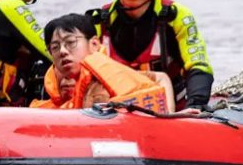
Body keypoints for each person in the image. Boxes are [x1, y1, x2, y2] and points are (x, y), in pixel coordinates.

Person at [87, 0, 213, 111]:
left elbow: (199, 65)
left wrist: (197, 104)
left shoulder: (176, 17)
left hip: (173, 108)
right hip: (113, 110)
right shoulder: (98, 20)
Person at [30, 13, 174, 111]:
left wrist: (170, 114)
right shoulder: (57, 80)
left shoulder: (102, 87)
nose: (62, 51)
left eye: (70, 42)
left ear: (94, 45)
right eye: (55, 47)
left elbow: (161, 78)